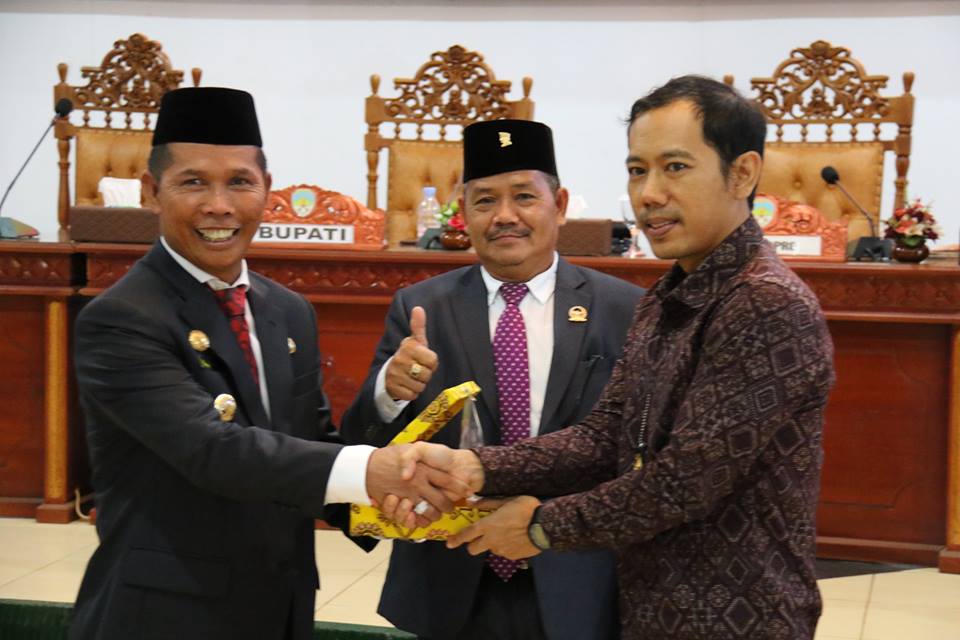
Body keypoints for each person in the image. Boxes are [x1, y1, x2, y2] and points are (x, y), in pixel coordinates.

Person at [424, 76, 836, 640]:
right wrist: (479, 466)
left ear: (742, 173)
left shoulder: (764, 302)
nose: (648, 194)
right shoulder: (670, 296)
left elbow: (684, 482)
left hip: (738, 615)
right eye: (638, 170)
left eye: (676, 167)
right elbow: (606, 434)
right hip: (652, 604)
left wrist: (541, 527)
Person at [68, 87, 467, 640]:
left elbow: (312, 443)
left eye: (239, 181)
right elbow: (215, 451)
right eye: (193, 182)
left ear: (266, 190)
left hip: (278, 605)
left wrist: (386, 406)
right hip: (166, 614)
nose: (219, 206)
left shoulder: (287, 311)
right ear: (151, 192)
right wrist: (370, 473)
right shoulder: (121, 318)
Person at [340, 119, 645, 640]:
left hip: (577, 574)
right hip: (451, 574)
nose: (505, 217)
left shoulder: (625, 309)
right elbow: (363, 440)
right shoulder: (421, 307)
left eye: (524, 196)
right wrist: (388, 394)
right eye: (484, 201)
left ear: (560, 204)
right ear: (463, 211)